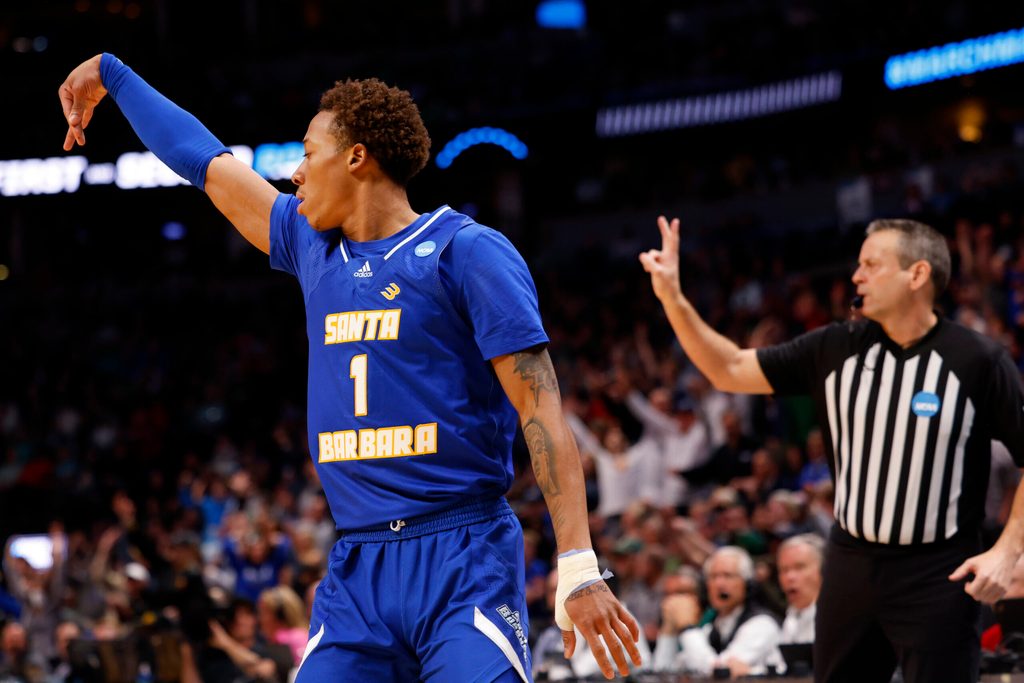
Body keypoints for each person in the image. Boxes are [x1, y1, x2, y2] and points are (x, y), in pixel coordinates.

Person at [58, 54, 640, 682]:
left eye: (310, 153)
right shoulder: (309, 246)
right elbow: (206, 162)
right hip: (357, 565)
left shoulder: (466, 252)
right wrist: (114, 76)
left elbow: (539, 408)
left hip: (462, 557)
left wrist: (578, 562)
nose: (297, 173)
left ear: (357, 158)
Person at [640, 216, 1024, 683]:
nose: (856, 276)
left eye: (871, 264)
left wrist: (1007, 551)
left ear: (917, 275)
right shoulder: (835, 348)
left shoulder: (979, 360)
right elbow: (730, 369)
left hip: (938, 570)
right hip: (850, 566)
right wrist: (673, 300)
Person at [652, 546, 781, 677]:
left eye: (728, 576)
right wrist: (669, 630)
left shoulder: (762, 624)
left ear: (747, 583)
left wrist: (687, 627)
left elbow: (720, 672)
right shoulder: (710, 629)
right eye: (713, 577)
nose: (719, 584)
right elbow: (664, 672)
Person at [776, 533, 824, 644]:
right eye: (784, 570)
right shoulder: (791, 618)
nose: (789, 577)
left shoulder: (838, 618)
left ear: (823, 570)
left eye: (799, 567)